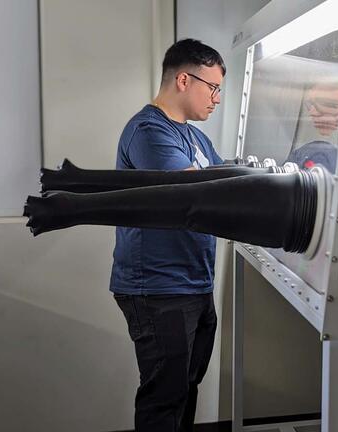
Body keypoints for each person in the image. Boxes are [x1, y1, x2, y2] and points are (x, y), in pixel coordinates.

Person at [110, 38, 225, 432]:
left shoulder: (195, 137)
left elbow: (229, 184)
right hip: (159, 288)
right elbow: (197, 192)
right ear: (183, 80)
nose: (217, 99)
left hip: (193, 283)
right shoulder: (147, 131)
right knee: (165, 397)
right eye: (212, 88)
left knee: (185, 389)